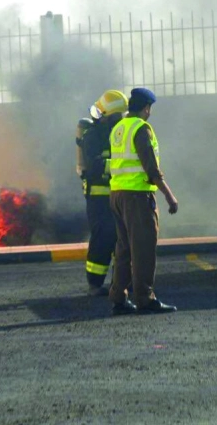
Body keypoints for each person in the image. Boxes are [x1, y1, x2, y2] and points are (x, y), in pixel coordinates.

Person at [107, 87, 179, 315]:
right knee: (143, 249)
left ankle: (118, 298)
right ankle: (145, 299)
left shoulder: (118, 128)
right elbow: (151, 168)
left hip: (117, 195)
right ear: (146, 108)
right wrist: (169, 196)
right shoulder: (141, 129)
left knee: (124, 249)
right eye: (150, 109)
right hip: (137, 197)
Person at [79, 89, 128, 296]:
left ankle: (123, 282)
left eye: (102, 113)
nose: (97, 117)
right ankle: (95, 284)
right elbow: (95, 166)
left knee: (123, 238)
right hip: (98, 198)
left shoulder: (123, 134)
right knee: (103, 237)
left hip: (121, 194)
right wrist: (122, 165)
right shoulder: (92, 136)